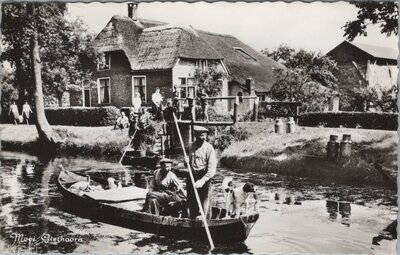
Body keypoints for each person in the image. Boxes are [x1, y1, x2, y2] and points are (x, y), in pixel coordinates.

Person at [186, 126, 217, 218]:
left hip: (204, 176)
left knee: (204, 198)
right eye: (200, 136)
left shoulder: (209, 148)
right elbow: (188, 164)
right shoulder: (190, 146)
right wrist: (186, 162)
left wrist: (203, 180)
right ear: (195, 135)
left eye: (204, 135)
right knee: (191, 198)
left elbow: (212, 169)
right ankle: (192, 218)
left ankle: (204, 218)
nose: (203, 138)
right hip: (192, 175)